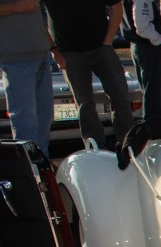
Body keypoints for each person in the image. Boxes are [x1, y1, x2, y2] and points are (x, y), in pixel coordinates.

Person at [43, 0, 134, 150]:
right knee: (85, 104)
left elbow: (117, 7)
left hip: (102, 48)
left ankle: (128, 145)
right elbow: (36, 17)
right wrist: (53, 50)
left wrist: (108, 41)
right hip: (69, 53)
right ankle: (94, 148)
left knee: (120, 95)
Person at [0, 0, 54, 157]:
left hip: (41, 53)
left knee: (44, 118)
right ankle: (29, 167)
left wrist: (53, 47)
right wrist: (17, 7)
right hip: (13, 57)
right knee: (26, 121)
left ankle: (41, 166)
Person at [122, 0, 161, 120]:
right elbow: (142, 26)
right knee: (152, 94)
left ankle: (150, 123)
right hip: (148, 46)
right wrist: (160, 41)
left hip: (138, 45)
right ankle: (153, 124)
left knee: (148, 91)